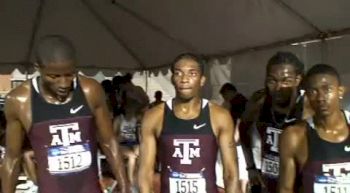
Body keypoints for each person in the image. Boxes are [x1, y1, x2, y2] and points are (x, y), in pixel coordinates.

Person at [2, 35, 130, 193]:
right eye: (54, 76)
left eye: (69, 74)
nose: (64, 83)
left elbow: (109, 142)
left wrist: (125, 188)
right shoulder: (19, 101)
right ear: (38, 68)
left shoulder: (91, 90)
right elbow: (12, 158)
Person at [138, 53, 241, 193]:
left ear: (202, 80)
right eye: (178, 73)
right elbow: (145, 174)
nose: (184, 79)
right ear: (172, 79)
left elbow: (231, 174)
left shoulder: (220, 116)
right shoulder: (154, 117)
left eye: (192, 74)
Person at [239, 51, 306, 193]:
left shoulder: (307, 107)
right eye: (272, 81)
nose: (278, 88)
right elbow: (243, 128)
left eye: (286, 81)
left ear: (298, 79)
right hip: (269, 182)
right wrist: (250, 168)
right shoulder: (259, 103)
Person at [279, 64, 350, 193]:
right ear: (306, 95)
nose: (320, 98)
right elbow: (285, 189)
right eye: (313, 91)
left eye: (327, 89)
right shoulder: (294, 136)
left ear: (340, 91)